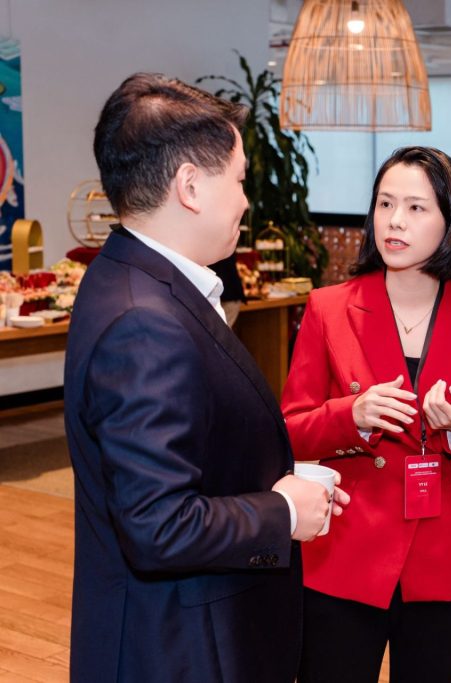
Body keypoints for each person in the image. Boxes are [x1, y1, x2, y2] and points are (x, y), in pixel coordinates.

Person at [64, 73, 347, 683]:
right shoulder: (145, 320)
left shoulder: (125, 272)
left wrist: (277, 473)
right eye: (240, 179)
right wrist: (281, 510)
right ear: (190, 186)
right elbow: (157, 526)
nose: (247, 199)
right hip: (179, 648)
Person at [281, 146, 451, 683]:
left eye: (415, 207)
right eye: (385, 203)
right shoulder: (328, 308)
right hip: (345, 543)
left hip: (445, 551)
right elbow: (291, 429)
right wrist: (353, 416)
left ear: (450, 220)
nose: (395, 221)